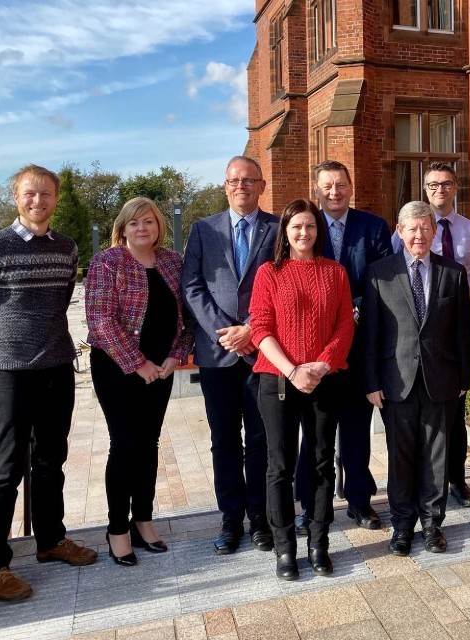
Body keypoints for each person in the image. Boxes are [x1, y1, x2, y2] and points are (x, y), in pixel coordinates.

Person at [0, 164, 97, 601]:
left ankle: (51, 540)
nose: (38, 201)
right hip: (10, 374)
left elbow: (59, 303)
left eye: (46, 194)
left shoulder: (66, 248)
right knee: (5, 470)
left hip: (56, 368)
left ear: (56, 198)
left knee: (52, 460)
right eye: (30, 194)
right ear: (16, 198)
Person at [249, 199, 355, 580]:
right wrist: (293, 370)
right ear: (285, 231)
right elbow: (260, 328)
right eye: (296, 226)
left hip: (324, 380)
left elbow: (345, 326)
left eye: (310, 226)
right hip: (278, 380)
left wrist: (322, 365)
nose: (303, 233)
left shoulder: (335, 273)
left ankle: (319, 543)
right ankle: (284, 549)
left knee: (322, 462)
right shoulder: (269, 273)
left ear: (317, 230)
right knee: (280, 466)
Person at [86, 197, 195, 565]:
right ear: (123, 228)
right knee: (125, 444)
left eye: (148, 221)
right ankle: (117, 528)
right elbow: (100, 320)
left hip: (161, 369)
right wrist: (138, 363)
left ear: (159, 226)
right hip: (117, 368)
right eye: (134, 222)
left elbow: (186, 317)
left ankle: (143, 520)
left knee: (149, 443)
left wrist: (176, 355)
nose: (142, 228)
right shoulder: (107, 262)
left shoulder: (172, 262)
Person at [364, 201, 470, 556]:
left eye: (425, 228)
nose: (419, 235)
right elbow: (371, 332)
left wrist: (463, 378)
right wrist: (372, 382)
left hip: (442, 380)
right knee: (401, 457)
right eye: (412, 229)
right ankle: (402, 525)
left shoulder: (453, 273)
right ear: (400, 232)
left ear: (434, 231)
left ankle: (431, 525)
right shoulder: (380, 273)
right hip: (396, 382)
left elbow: (463, 330)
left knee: (436, 458)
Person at [182, 156, 279, 555]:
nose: (241, 186)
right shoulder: (203, 230)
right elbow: (191, 286)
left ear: (262, 186)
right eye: (234, 180)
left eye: (249, 180)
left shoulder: (278, 229)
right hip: (217, 353)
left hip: (262, 352)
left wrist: (252, 329)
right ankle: (230, 519)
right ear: (225, 186)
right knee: (223, 440)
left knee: (261, 439)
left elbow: (284, 284)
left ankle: (260, 518)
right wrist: (225, 333)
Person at [292, 160, 392, 534]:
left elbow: (383, 280)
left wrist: (352, 310)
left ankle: (359, 501)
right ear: (316, 190)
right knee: (314, 436)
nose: (334, 192)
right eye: (327, 186)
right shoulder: (305, 226)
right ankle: (310, 505)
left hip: (356, 348)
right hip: (312, 352)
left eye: (340, 185)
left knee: (355, 431)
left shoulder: (373, 227)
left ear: (351, 187)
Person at [392, 162, 470, 508]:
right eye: (433, 185)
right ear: (426, 189)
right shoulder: (408, 227)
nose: (440, 190)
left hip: (449, 332)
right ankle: (420, 486)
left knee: (454, 422)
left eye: (446, 184)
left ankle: (457, 480)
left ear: (455, 187)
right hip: (414, 337)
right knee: (417, 426)